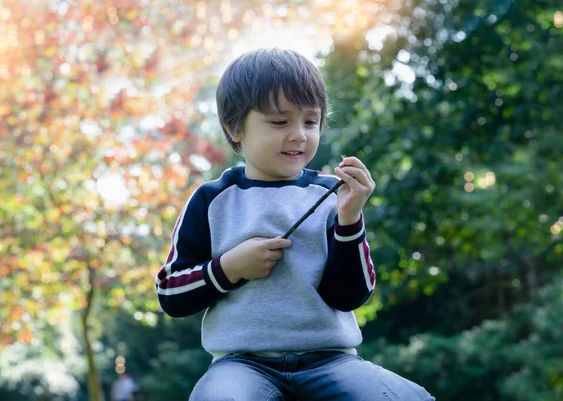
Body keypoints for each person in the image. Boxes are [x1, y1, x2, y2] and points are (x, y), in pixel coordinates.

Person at [155, 48, 434, 401]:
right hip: (242, 366)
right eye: (279, 121)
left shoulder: (331, 195)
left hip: (331, 361)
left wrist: (350, 219)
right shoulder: (212, 201)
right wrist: (230, 267)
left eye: (310, 121)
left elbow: (350, 296)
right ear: (235, 127)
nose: (299, 134)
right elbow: (170, 295)